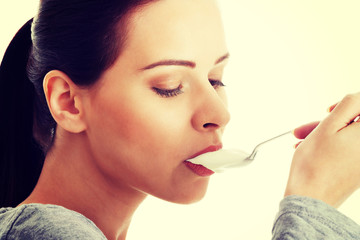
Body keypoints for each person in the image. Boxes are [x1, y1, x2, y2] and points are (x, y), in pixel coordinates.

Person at [0, 0, 360, 239]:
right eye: (170, 86)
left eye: (216, 79)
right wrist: (316, 202)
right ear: (68, 102)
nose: (220, 114)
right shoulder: (46, 232)